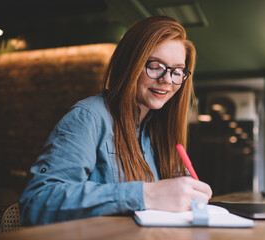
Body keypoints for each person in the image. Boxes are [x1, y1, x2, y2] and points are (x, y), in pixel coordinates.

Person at [19, 16, 212, 226]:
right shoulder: (89, 116)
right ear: (130, 63)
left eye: (177, 71)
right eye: (156, 66)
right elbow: (36, 203)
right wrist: (146, 195)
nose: (166, 79)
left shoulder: (162, 129)